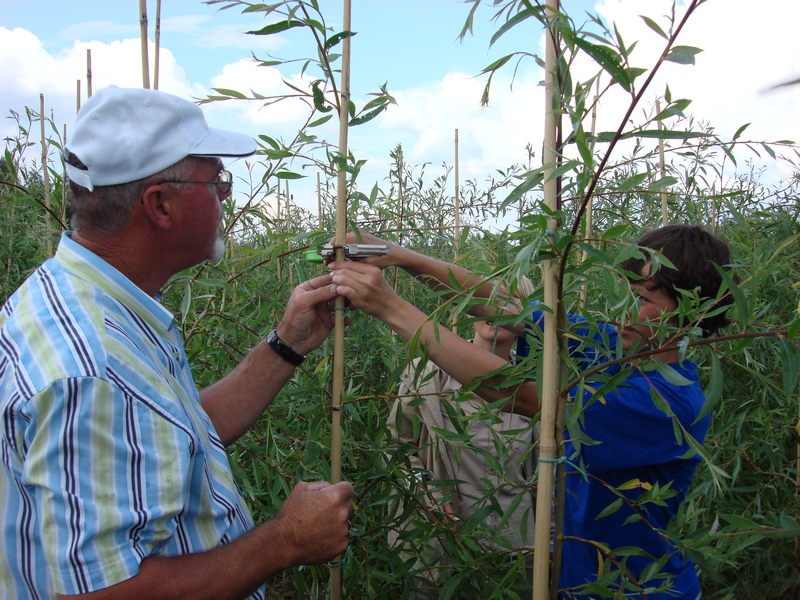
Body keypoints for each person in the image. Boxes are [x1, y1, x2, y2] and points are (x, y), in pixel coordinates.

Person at [0, 86, 353, 600]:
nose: (227, 194)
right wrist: (285, 541)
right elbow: (102, 594)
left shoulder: (88, 300)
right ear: (160, 205)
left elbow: (171, 436)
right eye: (216, 179)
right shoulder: (91, 368)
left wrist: (286, 344)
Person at [328, 226, 733, 599]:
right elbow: (507, 307)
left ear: (692, 312)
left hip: (633, 589)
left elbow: (519, 394)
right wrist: (403, 257)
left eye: (642, 298)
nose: (622, 308)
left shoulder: (665, 400)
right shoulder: (620, 348)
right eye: (625, 291)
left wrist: (390, 307)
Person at [388, 283, 537, 596]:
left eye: (511, 303)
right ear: (470, 308)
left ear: (528, 318)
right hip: (441, 551)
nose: (496, 311)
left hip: (513, 555)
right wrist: (422, 486)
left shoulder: (534, 391)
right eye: (487, 300)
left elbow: (550, 483)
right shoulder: (425, 377)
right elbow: (395, 449)